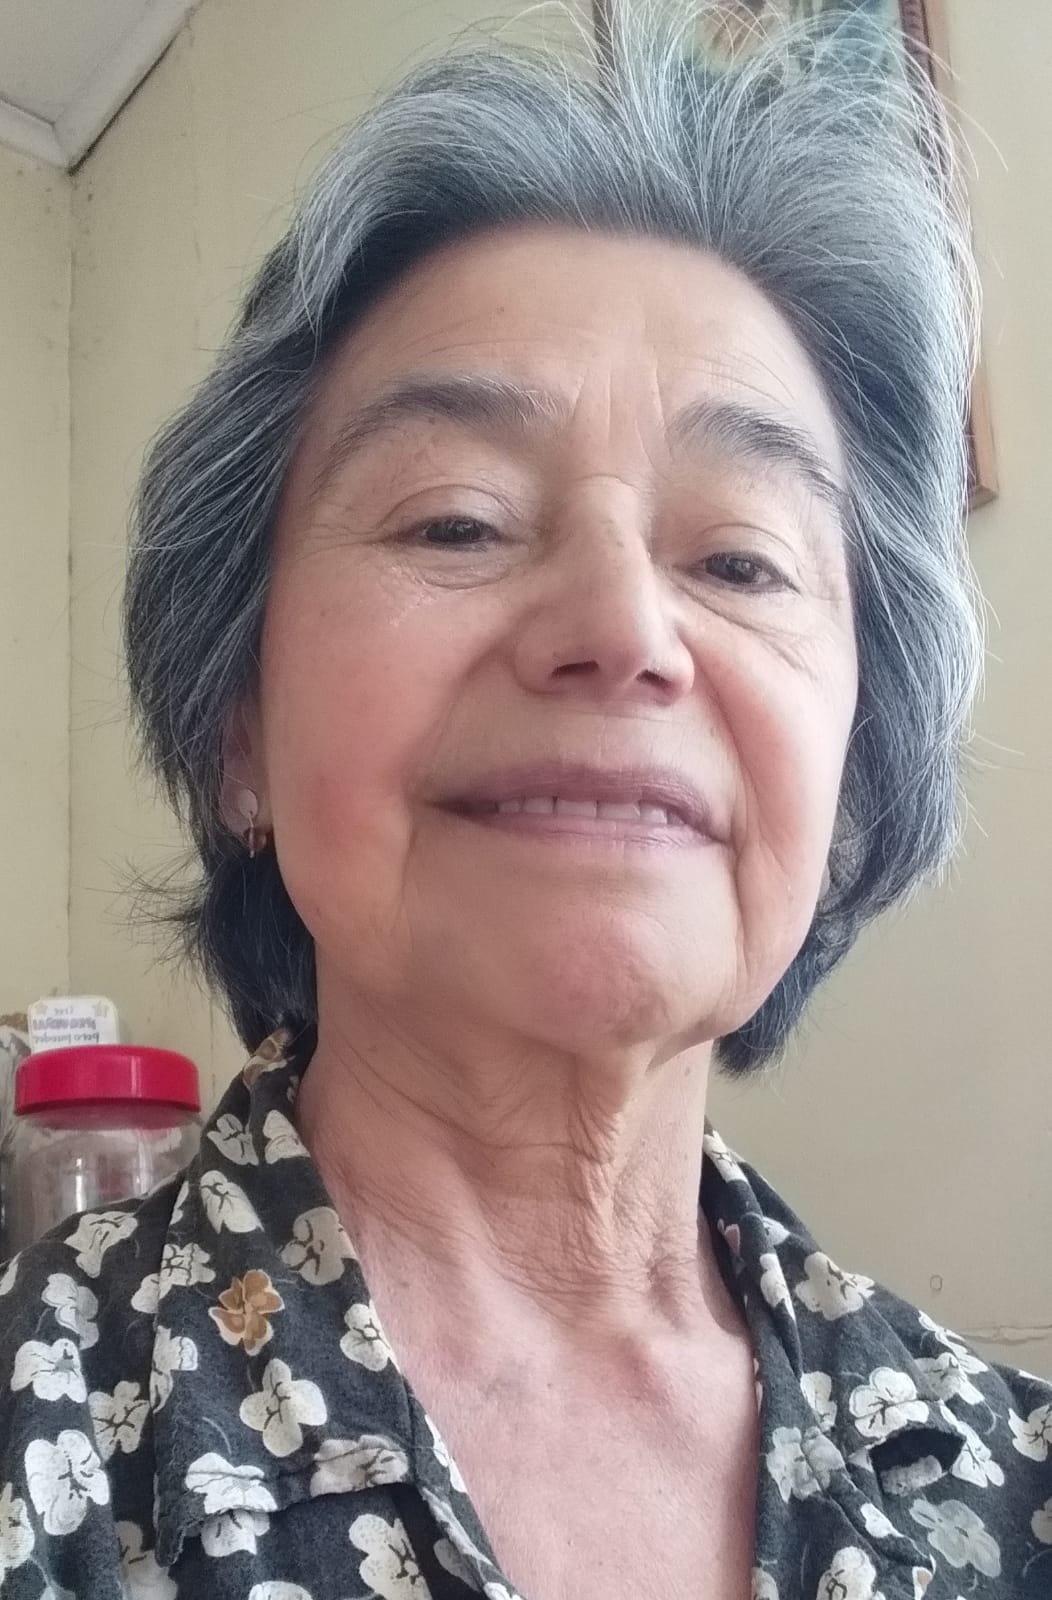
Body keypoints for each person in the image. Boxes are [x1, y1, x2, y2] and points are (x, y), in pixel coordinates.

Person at [1, 4, 1049, 1597]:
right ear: (238, 733)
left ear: (850, 783)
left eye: (741, 560)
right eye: (457, 521)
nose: (623, 629)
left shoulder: (1011, 1495)